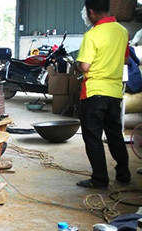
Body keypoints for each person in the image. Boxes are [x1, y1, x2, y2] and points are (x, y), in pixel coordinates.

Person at [76, 0, 131, 188]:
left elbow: (84, 66)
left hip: (94, 93)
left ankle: (100, 179)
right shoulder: (122, 32)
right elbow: (124, 59)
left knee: (93, 137)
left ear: (91, 12)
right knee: (115, 134)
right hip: (115, 92)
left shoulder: (92, 35)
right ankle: (123, 173)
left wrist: (77, 65)